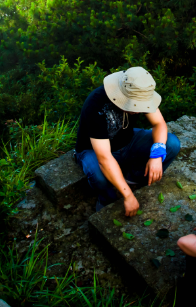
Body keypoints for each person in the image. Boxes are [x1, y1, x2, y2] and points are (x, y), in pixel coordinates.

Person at [75, 66, 181, 216]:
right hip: (94, 150)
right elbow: (104, 158)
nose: (139, 110)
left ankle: (132, 179)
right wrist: (128, 196)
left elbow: (159, 124)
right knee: (99, 177)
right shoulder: (95, 104)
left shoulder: (140, 90)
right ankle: (107, 200)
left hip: (127, 141)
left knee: (171, 144)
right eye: (135, 105)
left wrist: (157, 154)